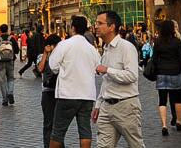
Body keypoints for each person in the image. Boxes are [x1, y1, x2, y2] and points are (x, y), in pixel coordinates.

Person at [91, 11, 142, 148]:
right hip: (106, 107)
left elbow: (132, 76)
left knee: (135, 145)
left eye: (100, 23)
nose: (96, 26)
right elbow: (106, 81)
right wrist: (98, 104)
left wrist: (107, 70)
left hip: (126, 106)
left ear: (112, 27)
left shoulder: (126, 47)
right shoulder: (106, 48)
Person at [48, 15, 99, 148]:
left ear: (73, 28)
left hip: (68, 93)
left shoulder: (64, 44)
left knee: (58, 132)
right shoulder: (91, 49)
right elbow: (98, 68)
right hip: (87, 95)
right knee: (85, 131)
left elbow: (53, 66)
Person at [37, 34, 64, 148]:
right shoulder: (42, 56)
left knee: (59, 125)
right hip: (48, 92)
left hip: (60, 92)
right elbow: (40, 69)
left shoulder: (62, 56)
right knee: (49, 123)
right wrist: (45, 54)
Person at [0, 24, 19, 105]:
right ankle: (10, 93)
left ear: (0, 30)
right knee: (10, 78)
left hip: (1, 61)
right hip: (10, 61)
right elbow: (17, 50)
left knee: (2, 80)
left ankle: (5, 99)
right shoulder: (12, 39)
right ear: (7, 30)